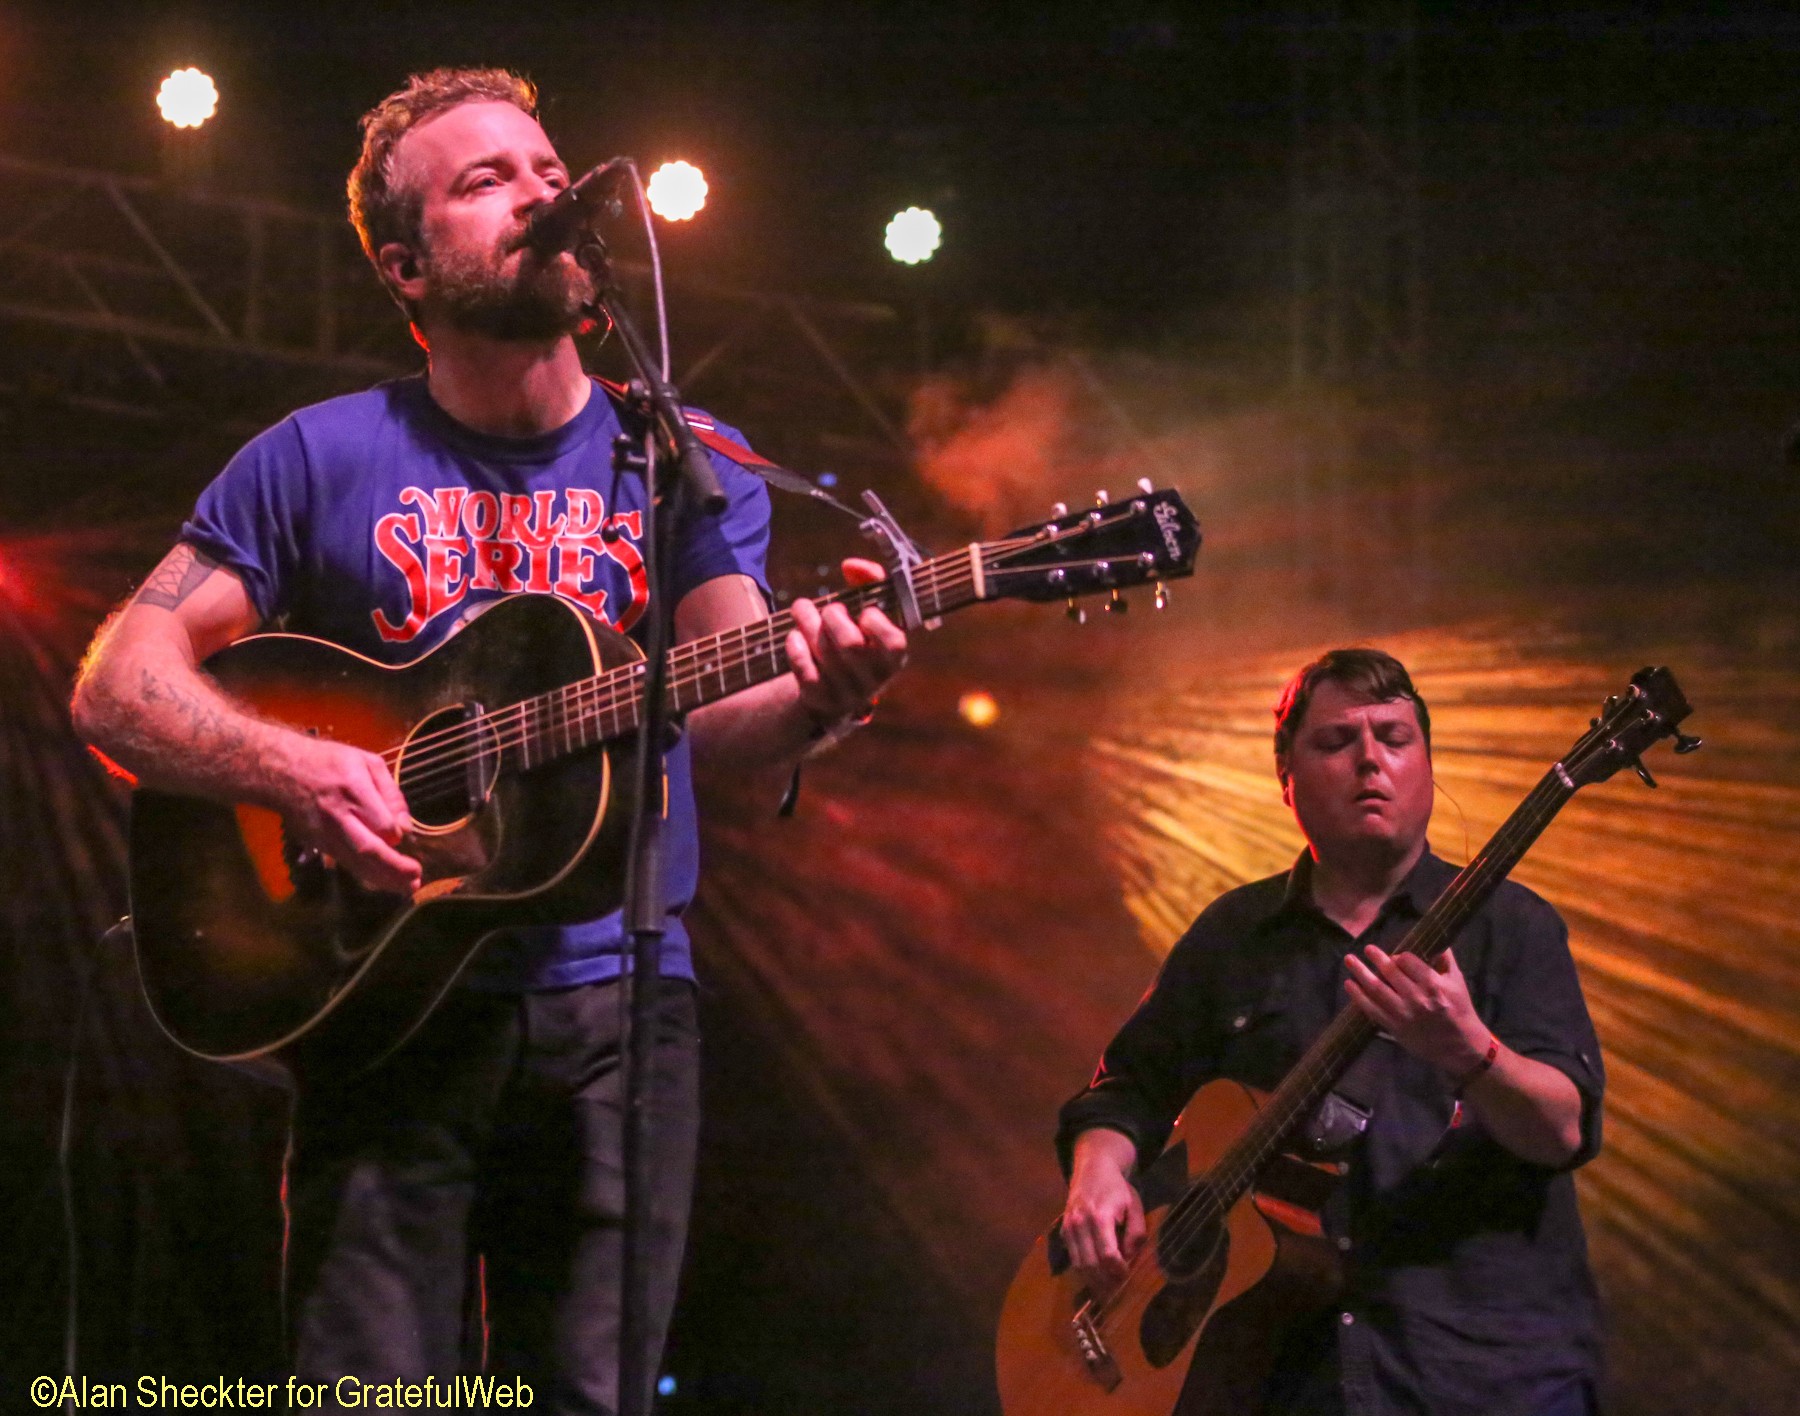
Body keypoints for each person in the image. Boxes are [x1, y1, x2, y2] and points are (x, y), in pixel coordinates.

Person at [71, 67, 907, 1415]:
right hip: (383, 1002)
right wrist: (301, 767)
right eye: (486, 179)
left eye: (543, 163)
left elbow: (734, 719)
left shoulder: (689, 461)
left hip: (618, 1011)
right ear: (406, 267)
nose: (540, 192)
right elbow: (119, 683)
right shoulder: (316, 458)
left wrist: (828, 690)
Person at [1056, 648, 1606, 1416]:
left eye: (1394, 737)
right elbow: (1129, 1089)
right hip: (1276, 1376)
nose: (1370, 760)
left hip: (1475, 1376)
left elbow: (1562, 1130)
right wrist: (1097, 1174)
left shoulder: (1512, 925)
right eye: (1337, 741)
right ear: (1287, 778)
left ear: (1428, 763)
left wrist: (1467, 1053)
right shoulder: (1234, 935)